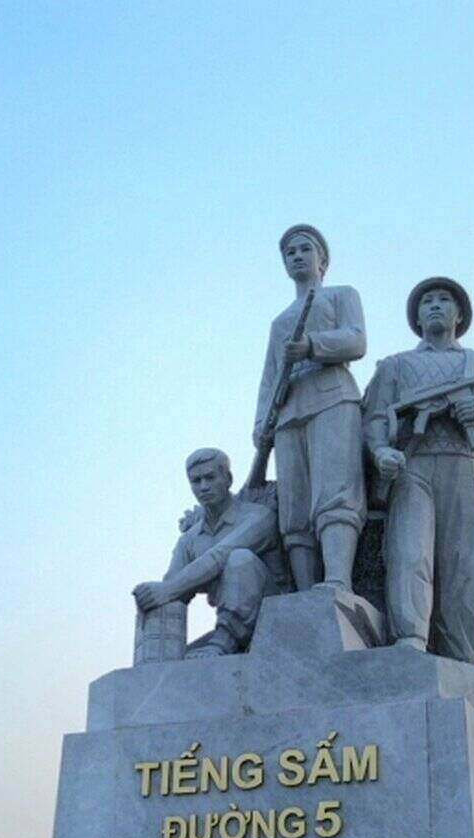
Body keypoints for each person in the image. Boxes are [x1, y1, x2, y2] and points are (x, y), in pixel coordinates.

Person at [362, 277, 474, 664]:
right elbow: (373, 418)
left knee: (464, 566)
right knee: (409, 553)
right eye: (427, 301)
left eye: (444, 300)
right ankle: (410, 642)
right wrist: (381, 450)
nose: (435, 306)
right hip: (411, 467)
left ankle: (464, 658)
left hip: (463, 468)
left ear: (459, 314)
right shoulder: (395, 366)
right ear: (416, 316)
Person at [253, 224, 368, 593]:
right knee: (295, 504)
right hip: (289, 412)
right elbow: (269, 377)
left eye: (305, 249)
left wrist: (313, 346)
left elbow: (357, 340)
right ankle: (305, 590)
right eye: (290, 253)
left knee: (335, 490)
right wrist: (260, 423)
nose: (297, 256)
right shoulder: (279, 322)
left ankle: (338, 579)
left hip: (333, 396)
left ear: (322, 259)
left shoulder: (340, 296)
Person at [134, 448, 286, 657]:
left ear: (228, 478)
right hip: (234, 624)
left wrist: (167, 589)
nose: (204, 487)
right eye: (196, 481)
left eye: (210, 477)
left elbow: (220, 556)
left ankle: (223, 642)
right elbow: (173, 587)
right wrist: (152, 597)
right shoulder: (190, 539)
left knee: (239, 559)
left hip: (277, 618)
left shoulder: (258, 516)